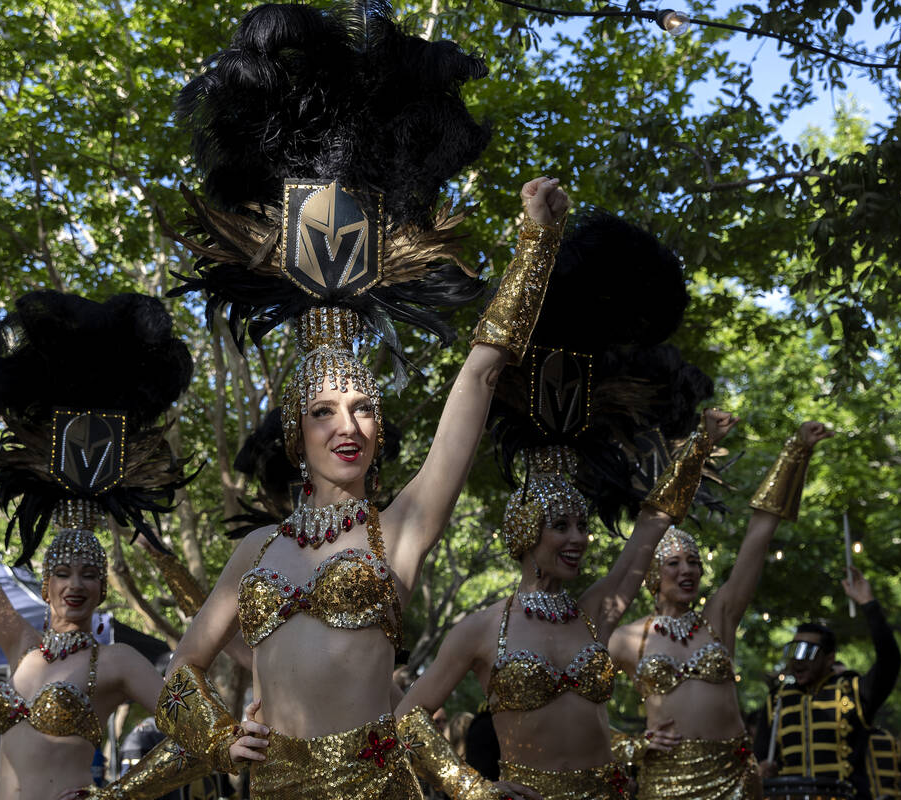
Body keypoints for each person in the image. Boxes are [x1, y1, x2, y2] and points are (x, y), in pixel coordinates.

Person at [144, 5, 569, 797]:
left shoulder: (399, 529)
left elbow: (477, 377)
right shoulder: (256, 553)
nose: (349, 425)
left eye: (365, 409)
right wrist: (219, 734)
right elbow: (182, 671)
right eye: (326, 411)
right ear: (298, 431)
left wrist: (534, 248)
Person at [396, 212, 724, 800]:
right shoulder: (480, 630)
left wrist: (696, 450)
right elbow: (408, 718)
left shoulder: (595, 611)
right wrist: (472, 789)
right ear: (524, 530)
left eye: (581, 524)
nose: (579, 537)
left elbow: (652, 524)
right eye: (561, 526)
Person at [0, 292, 217, 800]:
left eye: (88, 574)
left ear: (104, 590)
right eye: (64, 573)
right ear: (46, 584)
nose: (75, 584)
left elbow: (199, 736)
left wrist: (123, 792)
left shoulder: (118, 661)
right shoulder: (21, 647)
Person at [607, 420, 833, 799]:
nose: (688, 570)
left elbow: (759, 536)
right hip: (666, 783)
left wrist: (796, 453)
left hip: (734, 779)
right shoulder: (627, 639)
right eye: (674, 563)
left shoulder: (719, 617)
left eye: (693, 562)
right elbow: (576, 705)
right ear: (651, 575)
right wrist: (629, 746)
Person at [754, 570, 901, 799]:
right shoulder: (777, 700)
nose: (797, 659)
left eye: (807, 652)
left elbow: (890, 661)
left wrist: (869, 605)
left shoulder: (853, 691)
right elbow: (759, 757)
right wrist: (761, 769)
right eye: (793, 650)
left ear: (830, 658)